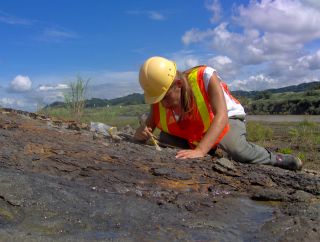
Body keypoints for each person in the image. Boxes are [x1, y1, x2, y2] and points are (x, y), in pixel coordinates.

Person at [134, 56, 302, 171]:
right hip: (197, 127)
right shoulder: (159, 97)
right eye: (159, 98)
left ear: (178, 84)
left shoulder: (205, 77)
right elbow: (144, 131)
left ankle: (277, 159)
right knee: (166, 140)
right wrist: (141, 133)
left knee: (236, 149)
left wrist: (200, 150)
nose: (163, 103)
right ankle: (211, 149)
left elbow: (221, 117)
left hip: (226, 118)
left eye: (166, 96)